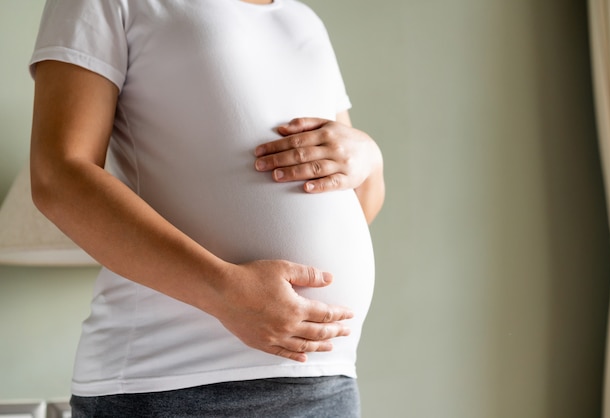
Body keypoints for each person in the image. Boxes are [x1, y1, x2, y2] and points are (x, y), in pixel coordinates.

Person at [29, 0, 384, 416]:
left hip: (325, 381)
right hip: (170, 382)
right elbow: (59, 176)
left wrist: (371, 156)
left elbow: (352, 204)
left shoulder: (303, 20)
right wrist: (224, 292)